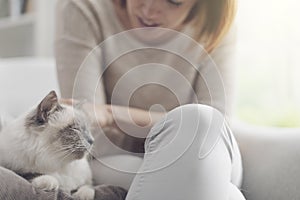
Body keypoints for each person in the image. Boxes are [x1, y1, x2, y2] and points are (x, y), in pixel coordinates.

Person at [55, 0, 246, 199]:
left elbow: (215, 127)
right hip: (117, 160)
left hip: (208, 157)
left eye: (174, 2)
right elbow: (89, 130)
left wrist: (112, 115)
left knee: (201, 122)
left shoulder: (216, 24)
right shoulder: (83, 7)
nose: (149, 9)